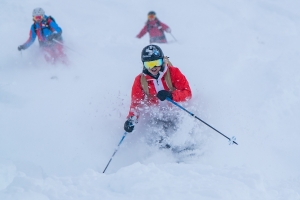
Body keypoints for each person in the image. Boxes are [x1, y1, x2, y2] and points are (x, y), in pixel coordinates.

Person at [124, 45, 192, 142]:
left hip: (175, 113)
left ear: (162, 61)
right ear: (144, 64)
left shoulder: (173, 72)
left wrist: (171, 95)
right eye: (149, 64)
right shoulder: (140, 81)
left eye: (156, 63)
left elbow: (187, 93)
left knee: (181, 136)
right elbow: (136, 103)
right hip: (156, 117)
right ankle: (160, 154)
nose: (153, 67)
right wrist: (132, 119)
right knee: (157, 139)